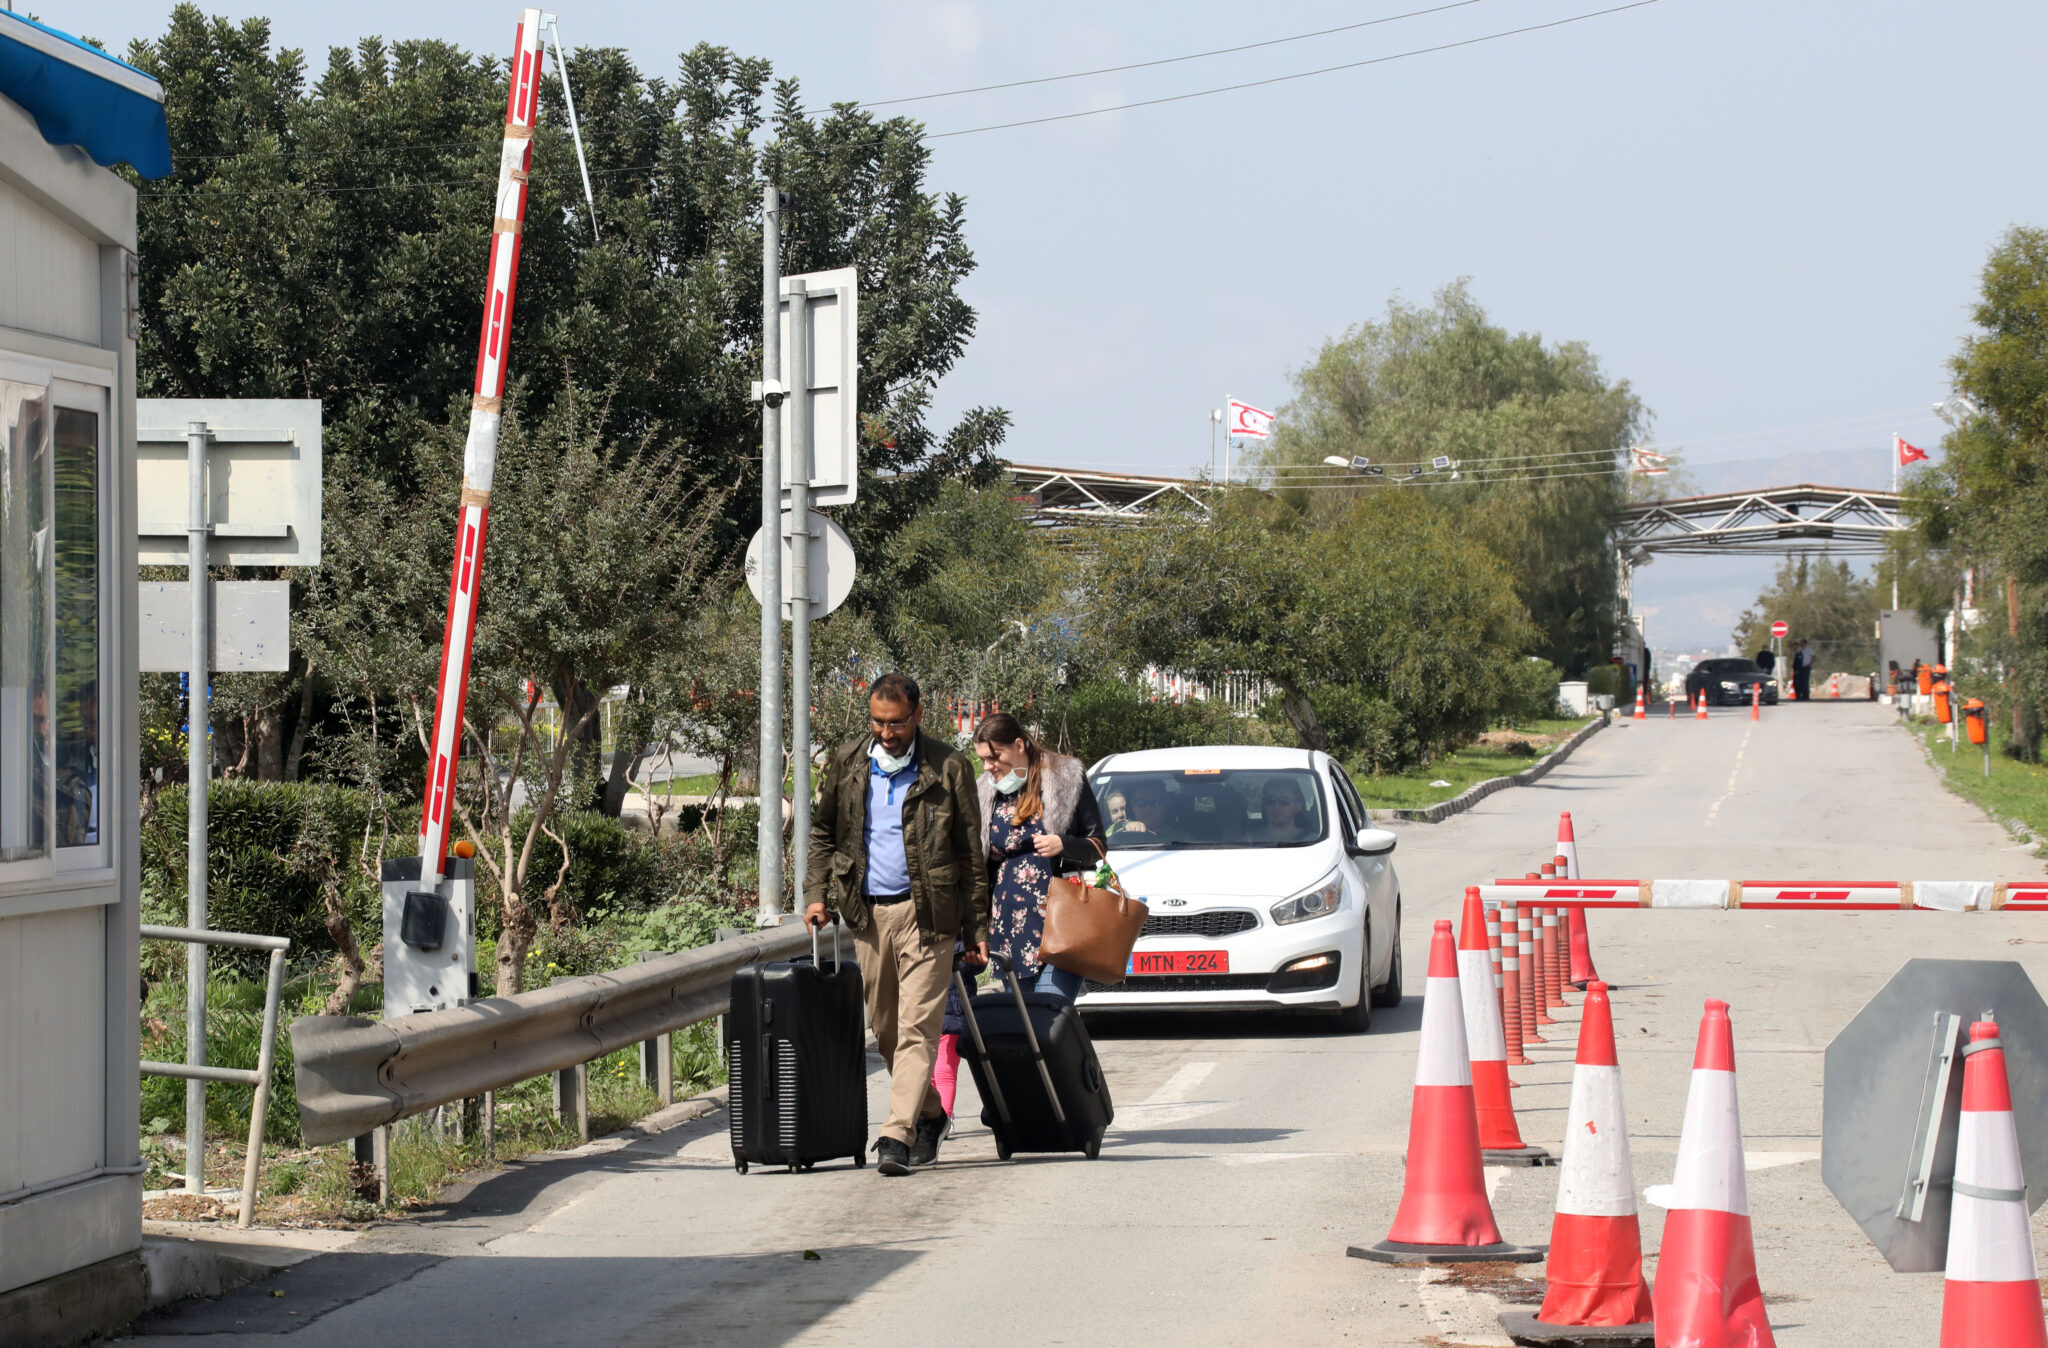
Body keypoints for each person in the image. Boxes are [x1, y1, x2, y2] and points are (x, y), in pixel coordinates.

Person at [806, 673, 988, 1177]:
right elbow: (824, 833)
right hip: (867, 913)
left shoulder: (948, 766)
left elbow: (970, 854)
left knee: (918, 1028)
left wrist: (977, 931)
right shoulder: (846, 762)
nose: (887, 733)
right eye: (879, 722)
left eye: (898, 723)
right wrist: (815, 894)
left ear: (918, 716)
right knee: (885, 1027)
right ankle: (931, 1113)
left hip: (929, 914)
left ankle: (896, 1134)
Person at [971, 711, 1107, 1005]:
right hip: (1008, 930)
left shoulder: (1064, 778)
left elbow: (1098, 845)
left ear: (1018, 745)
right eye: (982, 758)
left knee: (1051, 1016)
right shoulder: (985, 790)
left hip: (1061, 926)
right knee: (1026, 1032)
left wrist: (1064, 844)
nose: (988, 766)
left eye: (994, 756)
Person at [1256, 777, 1317, 842]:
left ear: (1297, 806)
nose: (1276, 806)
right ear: (1264, 805)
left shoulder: (1315, 841)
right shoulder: (1249, 840)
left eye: (1284, 801)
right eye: (1270, 800)